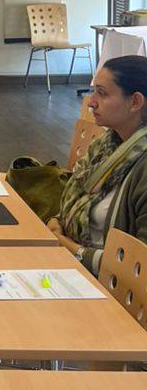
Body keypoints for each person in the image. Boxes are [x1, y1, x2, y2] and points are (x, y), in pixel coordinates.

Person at [47, 55, 147, 274]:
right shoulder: (106, 145)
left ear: (135, 102)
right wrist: (58, 220)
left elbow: (139, 269)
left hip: (109, 286)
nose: (91, 102)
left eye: (102, 93)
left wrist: (72, 250)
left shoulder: (142, 168)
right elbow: (78, 198)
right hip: (72, 263)